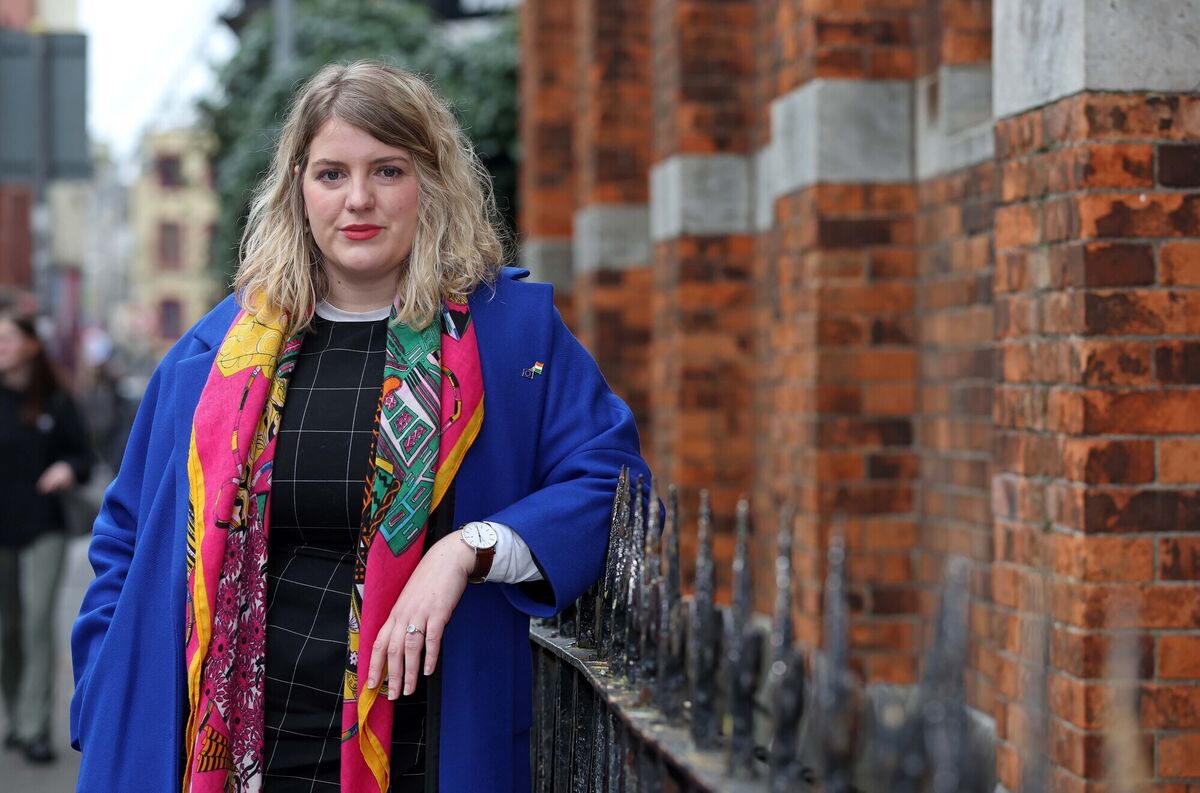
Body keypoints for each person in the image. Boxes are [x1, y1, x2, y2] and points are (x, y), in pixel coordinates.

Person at [70, 61, 648, 793]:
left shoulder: (509, 339)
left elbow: (615, 482)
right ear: (298, 190)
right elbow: (123, 538)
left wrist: (467, 550)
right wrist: (100, 685)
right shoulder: (214, 358)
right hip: (230, 757)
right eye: (332, 174)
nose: (359, 200)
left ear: (431, 182)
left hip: (416, 754)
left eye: (388, 170)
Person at [0, 310, 93, 764]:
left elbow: (84, 457)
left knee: (38, 622)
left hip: (45, 526)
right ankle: (16, 716)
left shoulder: (54, 401)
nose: (0, 346)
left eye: (7, 338)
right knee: (7, 628)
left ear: (30, 346)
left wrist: (65, 468)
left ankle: (36, 727)